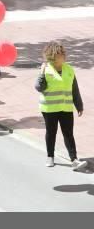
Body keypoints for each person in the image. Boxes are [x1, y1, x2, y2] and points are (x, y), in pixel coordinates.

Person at [36, 42, 86, 170]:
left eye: (64, 53)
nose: (64, 55)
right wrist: (41, 74)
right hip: (50, 108)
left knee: (68, 133)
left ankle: (74, 159)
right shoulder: (46, 69)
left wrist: (79, 105)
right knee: (51, 132)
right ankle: (50, 156)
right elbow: (39, 87)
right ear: (53, 56)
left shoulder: (69, 69)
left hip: (66, 107)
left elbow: (74, 89)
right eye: (61, 53)